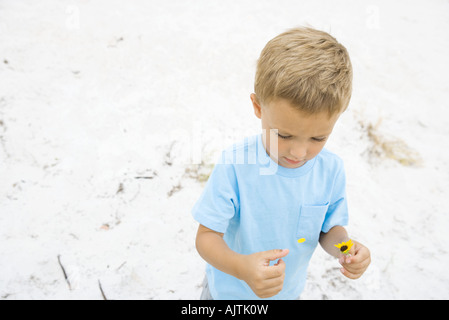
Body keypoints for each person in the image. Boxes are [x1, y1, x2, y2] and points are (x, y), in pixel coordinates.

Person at [192, 27, 371, 300]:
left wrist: (347, 249)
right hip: (228, 293)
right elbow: (206, 238)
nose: (298, 152)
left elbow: (328, 230)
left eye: (318, 137)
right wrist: (243, 269)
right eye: (284, 135)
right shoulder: (237, 165)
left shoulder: (330, 171)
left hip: (287, 293)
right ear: (258, 107)